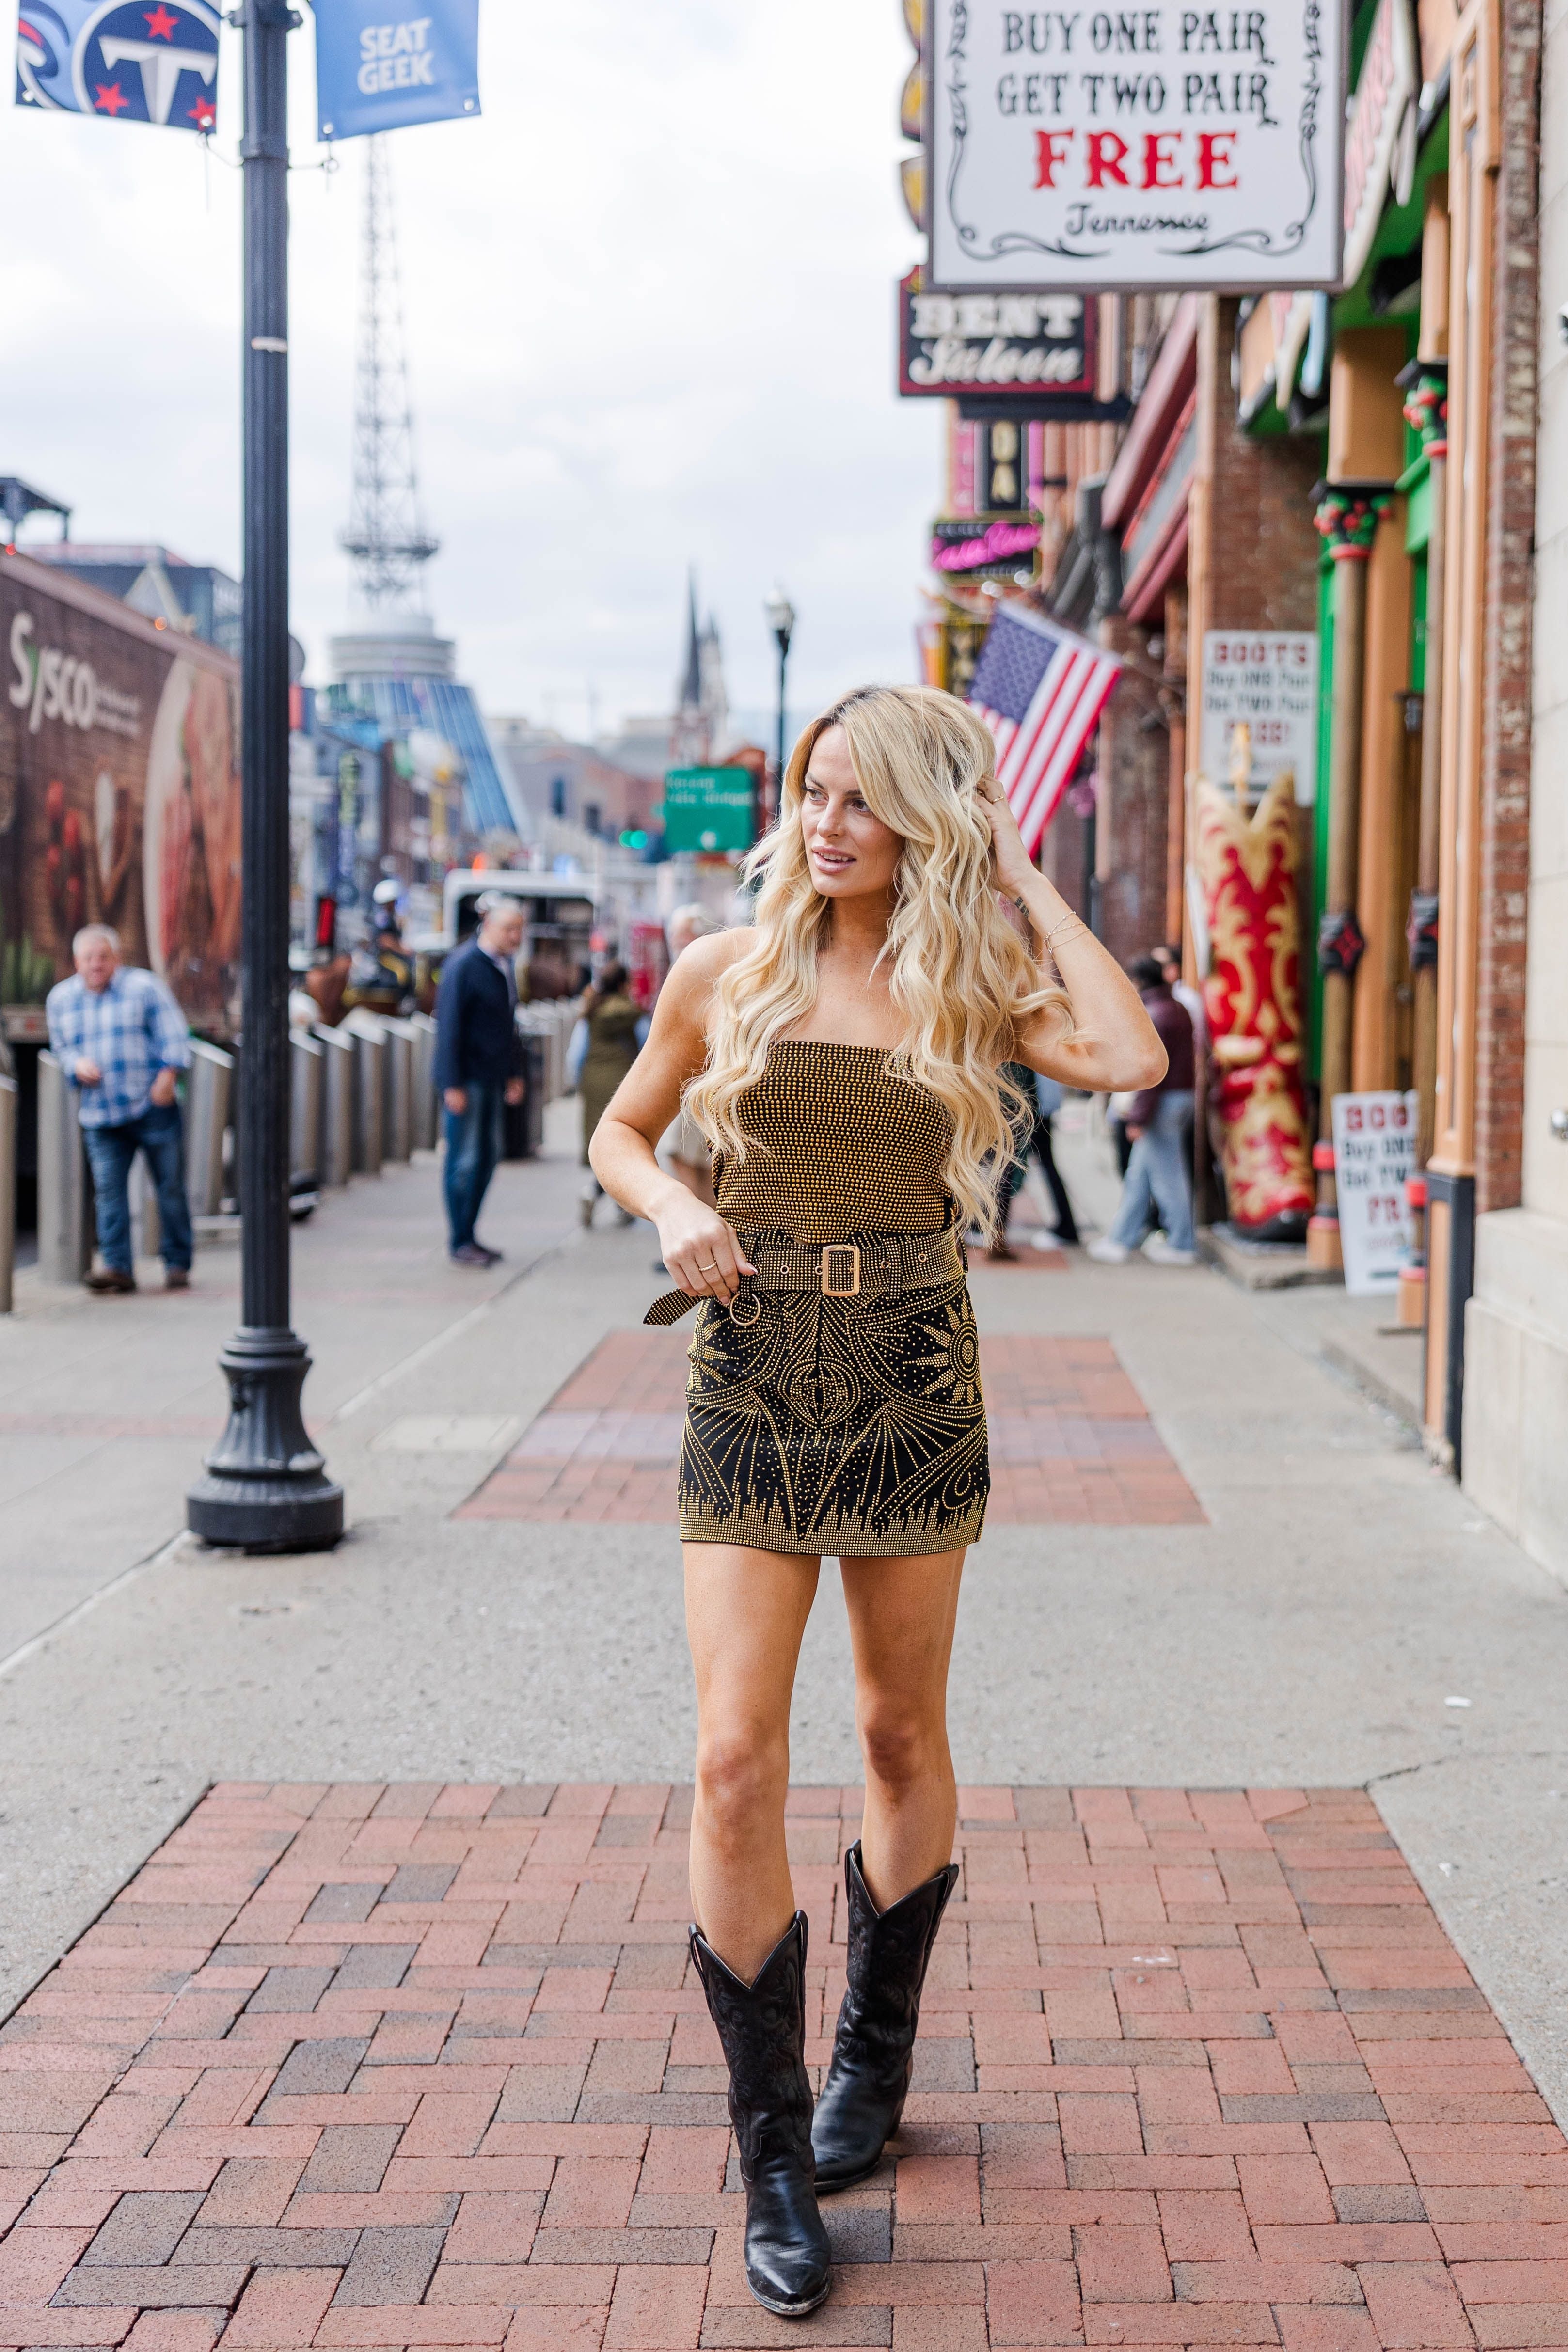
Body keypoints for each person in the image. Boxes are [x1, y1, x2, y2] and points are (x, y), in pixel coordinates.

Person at [589, 685, 1162, 2319]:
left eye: (856, 799)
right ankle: (772, 2155)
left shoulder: (966, 982)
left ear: (920, 819)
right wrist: (669, 1205)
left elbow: (1127, 1052)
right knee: (729, 1753)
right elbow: (625, 1133)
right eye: (808, 791)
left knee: (898, 1734)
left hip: (911, 1360)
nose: (820, 822)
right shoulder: (729, 967)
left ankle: (868, 2071)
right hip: (755, 1356)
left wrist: (1015, 872)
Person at [45, 924, 194, 1295]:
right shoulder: (61, 998)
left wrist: (168, 1075)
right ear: (76, 962)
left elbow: (174, 1033)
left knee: (170, 1189)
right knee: (109, 1193)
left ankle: (177, 1262)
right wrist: (75, 1064)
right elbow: (62, 1048)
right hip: (101, 1114)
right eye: (88, 958)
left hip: (152, 1107)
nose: (96, 965)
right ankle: (117, 1267)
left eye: (103, 957)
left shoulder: (144, 988)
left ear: (117, 959)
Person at [433, 895, 526, 1267]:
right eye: (509, 929)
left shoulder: (503, 965)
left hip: (491, 1077)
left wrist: (514, 1073)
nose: (516, 936)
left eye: (519, 929)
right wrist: (451, 1083)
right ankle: (460, 1239)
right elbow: (449, 1027)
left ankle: (470, 1233)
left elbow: (508, 1025)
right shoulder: (464, 965)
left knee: (487, 1157)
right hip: (467, 1078)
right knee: (465, 1158)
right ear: (488, 926)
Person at [1087, 952, 1197, 1266]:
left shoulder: (1155, 1014)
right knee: (1140, 1175)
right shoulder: (1176, 1008)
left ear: (1137, 981)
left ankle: (1181, 1242)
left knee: (1167, 1176)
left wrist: (1138, 1117)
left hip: (1162, 1103)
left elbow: (1151, 1075)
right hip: (1177, 1098)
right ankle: (1120, 1239)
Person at [990, 1063, 1080, 1256]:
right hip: (1031, 1103)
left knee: (1004, 1166)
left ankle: (994, 1236)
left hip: (1026, 1104)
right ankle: (993, 1234)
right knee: (1013, 1166)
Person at [578, 961, 642, 1228]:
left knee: (603, 1142)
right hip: (620, 1081)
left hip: (593, 1077)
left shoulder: (592, 1007)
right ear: (624, 984)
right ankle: (609, 1198)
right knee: (621, 1144)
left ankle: (600, 1196)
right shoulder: (628, 1011)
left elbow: (576, 1052)